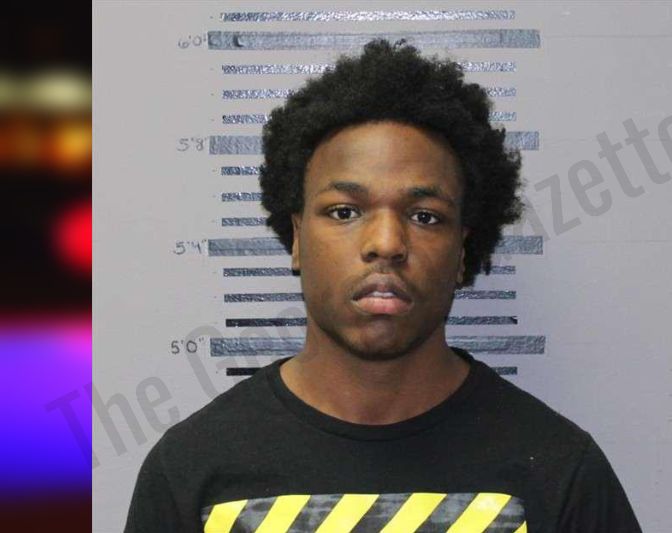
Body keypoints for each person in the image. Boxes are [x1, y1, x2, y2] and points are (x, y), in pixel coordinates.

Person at [124, 39, 641, 533]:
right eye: (344, 211)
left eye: (425, 215)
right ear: (297, 237)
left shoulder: (558, 472)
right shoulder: (192, 470)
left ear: (463, 249)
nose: (387, 243)